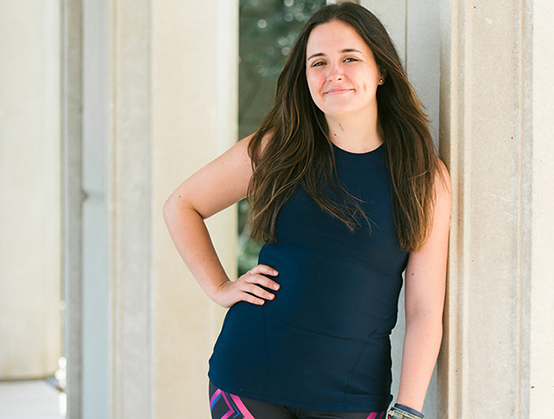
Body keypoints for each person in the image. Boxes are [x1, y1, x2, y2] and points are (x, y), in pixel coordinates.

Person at [163, 3, 451, 419]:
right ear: (306, 77)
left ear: (381, 69)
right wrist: (220, 286)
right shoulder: (277, 148)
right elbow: (182, 205)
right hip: (247, 382)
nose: (334, 72)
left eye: (350, 58)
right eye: (318, 62)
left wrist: (407, 409)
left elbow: (424, 310)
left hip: (351, 398)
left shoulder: (423, 176)